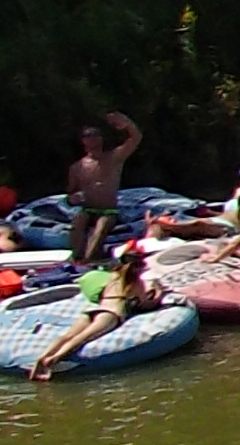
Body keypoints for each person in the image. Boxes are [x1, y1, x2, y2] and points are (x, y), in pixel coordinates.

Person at [28, 244, 154, 380]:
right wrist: (157, 293)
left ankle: (42, 356)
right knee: (82, 338)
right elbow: (146, 304)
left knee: (67, 335)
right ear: (138, 266)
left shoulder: (113, 276)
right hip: (110, 314)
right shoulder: (136, 282)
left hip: (93, 310)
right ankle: (53, 359)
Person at [65, 111, 143, 265]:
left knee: (102, 225)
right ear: (83, 141)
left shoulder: (113, 158)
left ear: (101, 138)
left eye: (95, 135)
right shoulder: (77, 167)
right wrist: (73, 198)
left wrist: (127, 124)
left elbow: (136, 138)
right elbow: (70, 193)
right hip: (88, 209)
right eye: (88, 136)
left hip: (108, 210)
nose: (92, 138)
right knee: (79, 220)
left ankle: (88, 260)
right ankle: (75, 257)